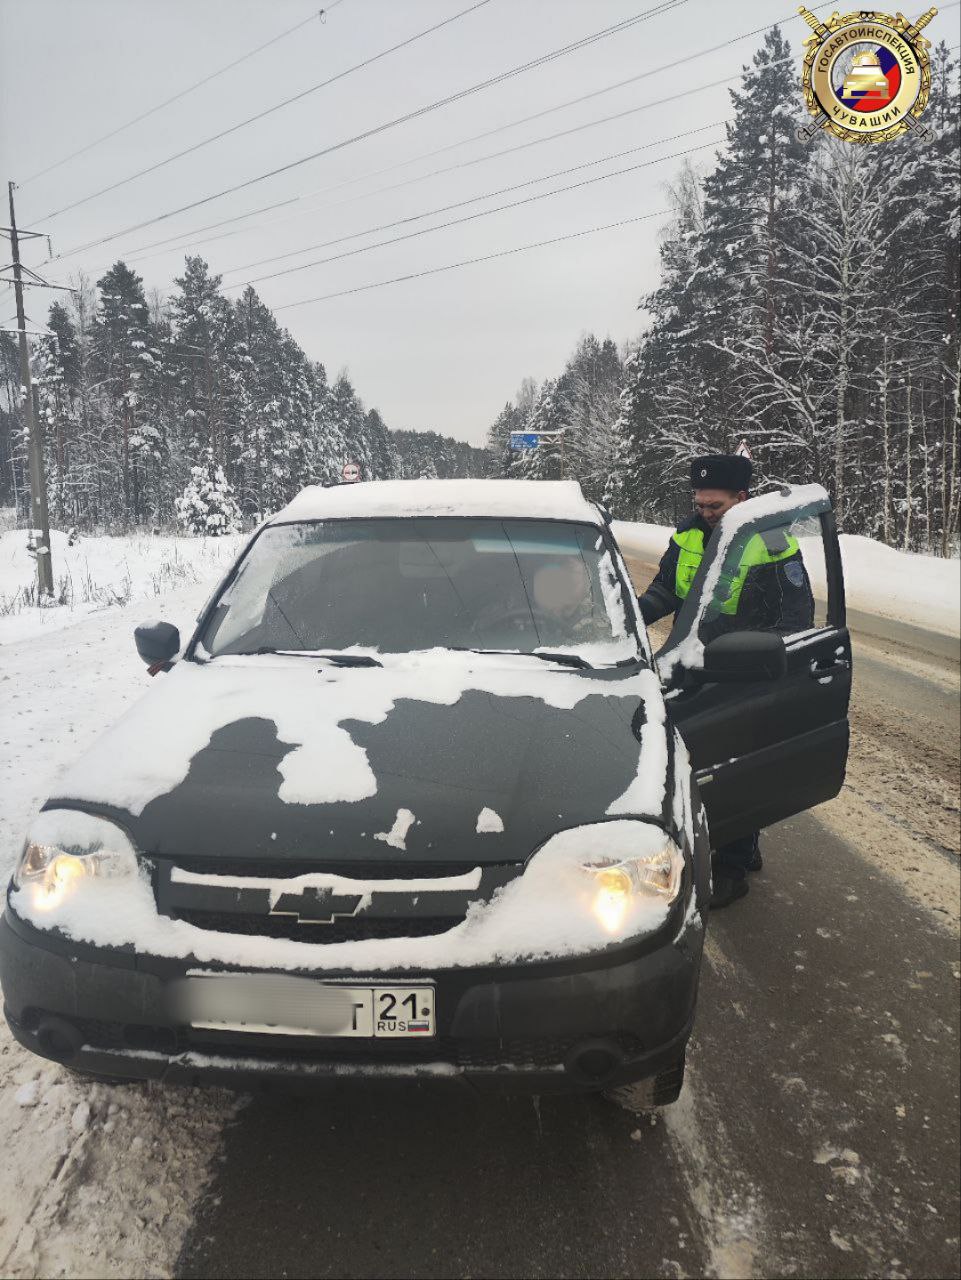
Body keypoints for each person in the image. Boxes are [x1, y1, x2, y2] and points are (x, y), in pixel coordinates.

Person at [638, 454, 814, 909]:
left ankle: (732, 867)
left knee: (730, 766)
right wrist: (632, 621)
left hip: (743, 670)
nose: (705, 513)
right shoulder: (688, 533)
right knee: (693, 760)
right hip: (692, 663)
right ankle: (744, 848)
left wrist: (744, 648)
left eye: (714, 506)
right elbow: (666, 589)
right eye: (700, 504)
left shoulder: (771, 543)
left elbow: (794, 618)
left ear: (741, 498)